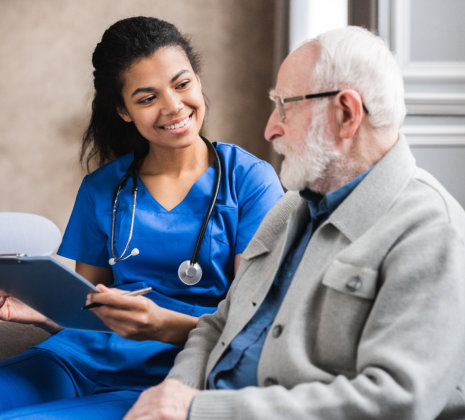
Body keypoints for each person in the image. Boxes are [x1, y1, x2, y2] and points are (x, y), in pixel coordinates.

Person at [124, 26, 465, 420]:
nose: (271, 128)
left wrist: (203, 409)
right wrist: (174, 394)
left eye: (285, 106)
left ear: (346, 114)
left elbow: (396, 400)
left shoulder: (432, 231)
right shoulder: (289, 210)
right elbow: (218, 324)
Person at [0, 16, 283, 418]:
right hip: (76, 359)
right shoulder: (103, 188)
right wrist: (45, 313)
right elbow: (90, 310)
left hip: (172, 375)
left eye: (182, 84)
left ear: (198, 82)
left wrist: (160, 325)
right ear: (124, 110)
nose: (173, 106)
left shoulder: (250, 182)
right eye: (147, 98)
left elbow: (252, 323)